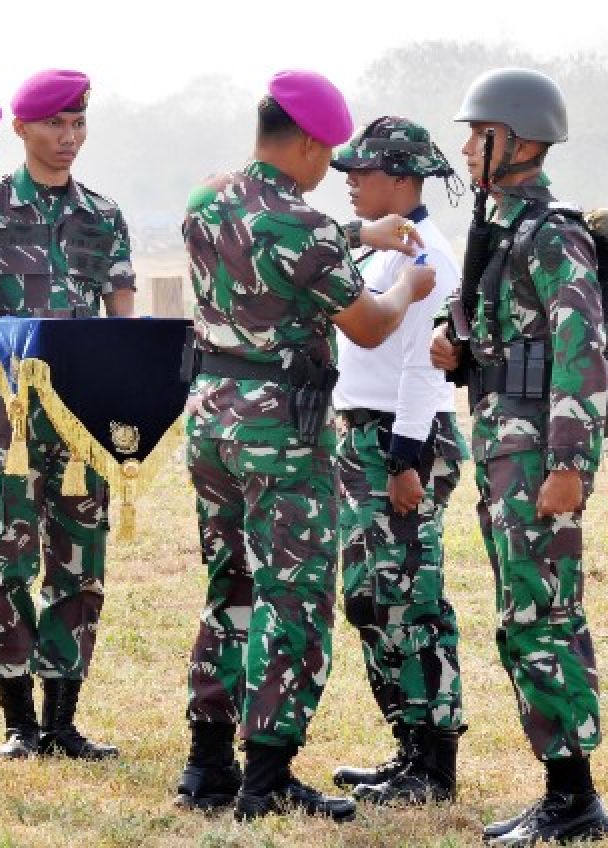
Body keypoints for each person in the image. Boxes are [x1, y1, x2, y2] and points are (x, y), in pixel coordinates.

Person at [175, 70, 437, 823]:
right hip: (280, 433)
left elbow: (271, 239)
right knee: (291, 598)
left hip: (212, 418)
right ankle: (267, 777)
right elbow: (367, 323)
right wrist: (407, 289)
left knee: (229, 587)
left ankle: (206, 766)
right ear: (313, 144)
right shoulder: (309, 227)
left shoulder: (207, 196)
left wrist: (359, 233)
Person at [429, 67, 608, 844]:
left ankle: (574, 799)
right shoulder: (499, 229)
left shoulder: (550, 231)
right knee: (521, 614)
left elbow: (583, 349)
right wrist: (456, 347)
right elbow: (496, 336)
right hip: (505, 447)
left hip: (540, 454)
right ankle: (563, 791)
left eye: (480, 135)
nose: (468, 148)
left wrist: (569, 464)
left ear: (518, 140)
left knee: (544, 616)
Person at [0, 69, 134, 762]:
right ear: (21, 130)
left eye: (78, 125)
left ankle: (63, 719)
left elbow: (123, 326)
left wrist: (125, 412)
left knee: (78, 566)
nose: (68, 139)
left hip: (80, 427)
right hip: (6, 421)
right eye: (54, 126)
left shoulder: (104, 217)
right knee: (8, 562)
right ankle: (18, 722)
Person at [327, 116, 468, 805]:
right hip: (365, 437)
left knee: (410, 600)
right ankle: (407, 748)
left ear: (405, 179)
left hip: (403, 440)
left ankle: (432, 765)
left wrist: (406, 459)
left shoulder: (425, 255)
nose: (350, 182)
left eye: (364, 171)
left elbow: (425, 369)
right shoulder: (385, 247)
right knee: (372, 599)